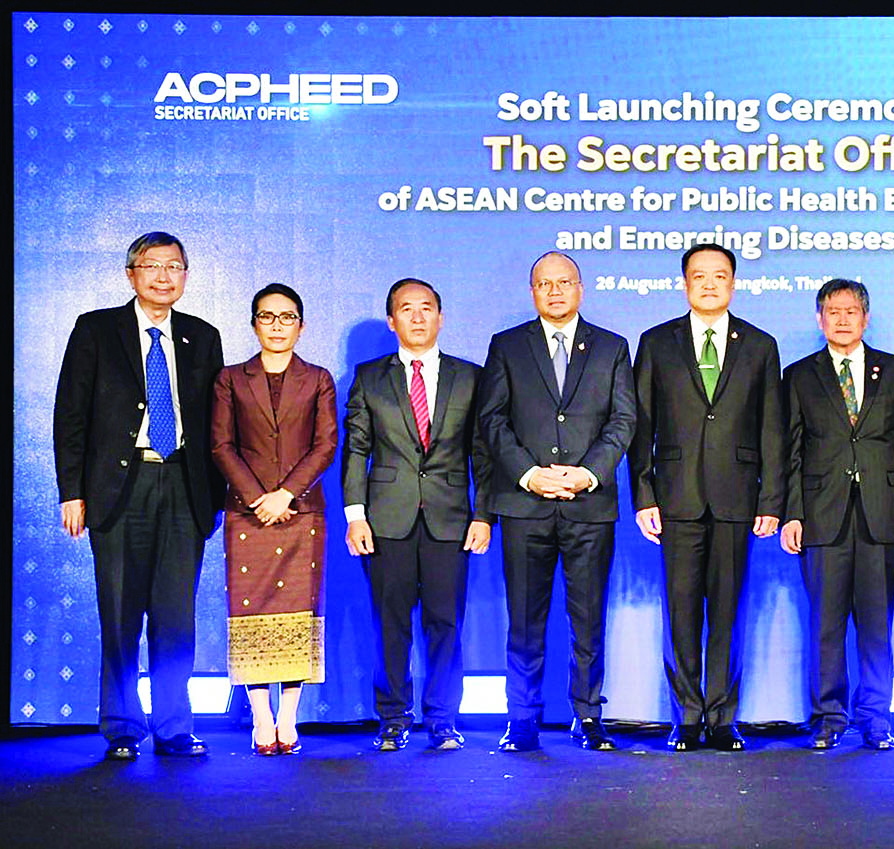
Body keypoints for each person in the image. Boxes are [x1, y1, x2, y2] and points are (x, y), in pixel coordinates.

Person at [54, 231, 225, 760]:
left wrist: (216, 495)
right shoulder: (96, 329)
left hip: (183, 485)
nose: (163, 276)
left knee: (176, 617)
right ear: (131, 274)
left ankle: (174, 726)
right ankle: (123, 725)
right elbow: (70, 415)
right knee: (121, 612)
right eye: (152, 266)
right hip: (119, 489)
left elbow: (216, 423)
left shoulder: (203, 336)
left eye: (174, 266)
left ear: (186, 276)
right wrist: (71, 491)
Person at [628, 244, 785, 752]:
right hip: (676, 499)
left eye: (720, 276)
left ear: (733, 284)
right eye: (700, 276)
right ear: (685, 284)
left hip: (738, 499)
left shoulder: (760, 345)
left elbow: (772, 430)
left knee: (727, 614)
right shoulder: (657, 342)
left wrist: (771, 501)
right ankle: (687, 716)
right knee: (680, 614)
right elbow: (641, 427)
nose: (710, 284)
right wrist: (643, 494)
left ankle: (721, 716)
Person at [478, 252, 636, 752]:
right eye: (544, 284)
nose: (554, 291)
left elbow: (623, 420)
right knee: (525, 619)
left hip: (589, 505)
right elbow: (492, 420)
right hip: (525, 505)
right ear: (533, 292)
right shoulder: (507, 346)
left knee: (588, 619)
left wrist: (587, 473)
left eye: (563, 282)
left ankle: (588, 715)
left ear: (580, 288)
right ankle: (522, 719)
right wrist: (530, 475)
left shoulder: (612, 347)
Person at [342, 278, 492, 752]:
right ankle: (392, 718)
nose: (418, 316)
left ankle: (443, 720)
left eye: (426, 307)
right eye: (407, 309)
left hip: (451, 519)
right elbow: (356, 449)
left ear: (441, 317)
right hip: (386, 520)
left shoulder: (471, 377)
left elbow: (483, 452)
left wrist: (484, 514)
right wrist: (355, 515)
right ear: (392, 321)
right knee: (391, 624)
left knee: (446, 624)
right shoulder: (370, 377)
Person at [780, 279, 894, 750]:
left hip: (882, 515)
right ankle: (828, 716)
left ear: (866, 318)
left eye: (851, 311)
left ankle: (876, 718)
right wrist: (791, 514)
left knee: (876, 626)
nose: (842, 320)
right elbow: (791, 452)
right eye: (833, 311)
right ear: (819, 319)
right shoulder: (799, 375)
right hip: (821, 516)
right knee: (825, 625)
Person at [211, 284, 337, 756]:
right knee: (252, 613)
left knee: (298, 614)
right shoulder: (230, 379)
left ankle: (289, 716)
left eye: (287, 317)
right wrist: (257, 498)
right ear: (254, 324)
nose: (277, 326)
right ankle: (261, 717)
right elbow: (221, 445)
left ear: (301, 326)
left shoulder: (318, 378)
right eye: (267, 317)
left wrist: (285, 494)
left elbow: (325, 444)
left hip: (301, 511)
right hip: (248, 514)